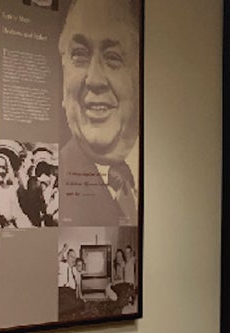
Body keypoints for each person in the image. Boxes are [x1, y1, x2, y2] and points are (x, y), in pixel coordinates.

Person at [57, 0, 140, 226]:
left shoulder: (171, 179)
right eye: (80, 55)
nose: (94, 79)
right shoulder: (56, 179)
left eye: (113, 57)